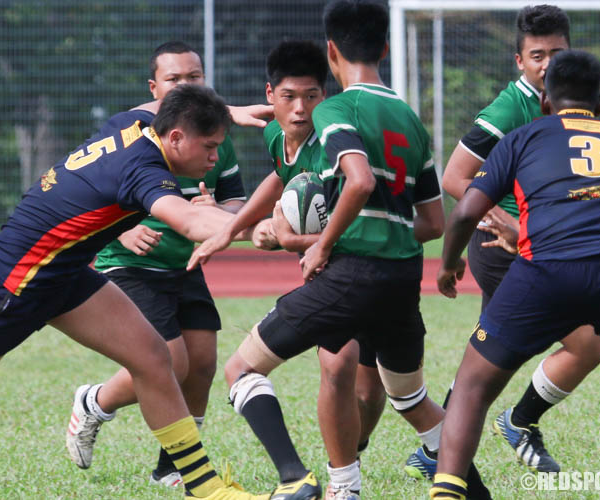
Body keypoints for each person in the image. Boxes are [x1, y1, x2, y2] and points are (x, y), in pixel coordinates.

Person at [190, 2, 489, 499]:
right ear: (386, 48)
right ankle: (469, 491)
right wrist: (239, 228)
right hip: (402, 278)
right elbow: (432, 222)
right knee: (411, 399)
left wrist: (319, 244)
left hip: (353, 274)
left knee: (242, 369)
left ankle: (302, 481)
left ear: (331, 53)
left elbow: (359, 180)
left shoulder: (336, 110)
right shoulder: (409, 118)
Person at [0, 85, 269, 500]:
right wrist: (276, 232)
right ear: (176, 137)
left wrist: (222, 111)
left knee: (153, 357)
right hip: (16, 282)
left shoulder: (136, 122)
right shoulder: (144, 170)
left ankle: (205, 487)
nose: (216, 157)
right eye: (210, 145)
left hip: (64, 274)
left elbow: (158, 105)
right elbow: (194, 225)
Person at [417, 4, 600, 478]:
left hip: (541, 243)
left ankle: (449, 448)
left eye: (556, 53)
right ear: (519, 62)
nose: (546, 63)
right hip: (505, 247)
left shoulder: (570, 101)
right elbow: (454, 177)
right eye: (536, 55)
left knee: (494, 359)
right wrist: (505, 223)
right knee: (582, 347)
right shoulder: (511, 108)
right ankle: (511, 425)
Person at [66, 41, 248, 488]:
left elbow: (235, 203)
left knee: (203, 361)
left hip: (183, 264)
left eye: (194, 76)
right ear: (154, 87)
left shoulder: (215, 140)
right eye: (174, 79)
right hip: (127, 263)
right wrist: (121, 228)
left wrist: (219, 210)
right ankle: (94, 403)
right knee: (170, 359)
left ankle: (174, 465)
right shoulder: (130, 133)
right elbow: (89, 186)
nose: (186, 85)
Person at [211, 38, 389, 479]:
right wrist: (239, 227)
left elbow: (358, 221)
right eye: (288, 97)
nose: (299, 109)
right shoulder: (276, 134)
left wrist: (287, 238)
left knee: (371, 392)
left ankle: (353, 452)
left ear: (324, 97)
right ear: (271, 96)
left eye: (311, 97)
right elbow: (280, 176)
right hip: (334, 278)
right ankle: (342, 473)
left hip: (365, 264)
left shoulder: (333, 145)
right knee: (340, 365)